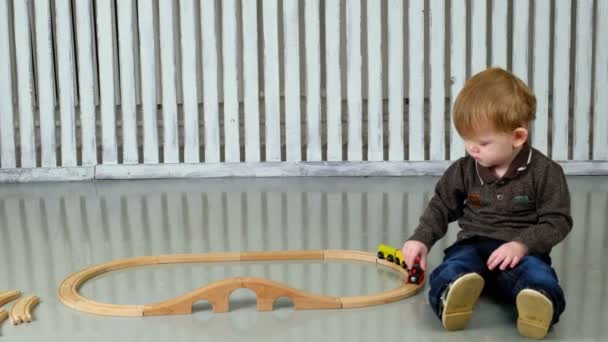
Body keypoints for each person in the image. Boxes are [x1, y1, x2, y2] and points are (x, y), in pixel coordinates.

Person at [401, 67, 572, 339]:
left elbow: (557, 221)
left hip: (521, 254)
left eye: (482, 142)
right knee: (452, 268)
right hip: (473, 245)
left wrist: (522, 244)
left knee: (538, 276)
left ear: (517, 137)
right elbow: (441, 206)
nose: (472, 149)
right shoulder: (464, 170)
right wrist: (421, 239)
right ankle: (452, 295)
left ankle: (539, 306)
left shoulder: (545, 172)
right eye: (467, 140)